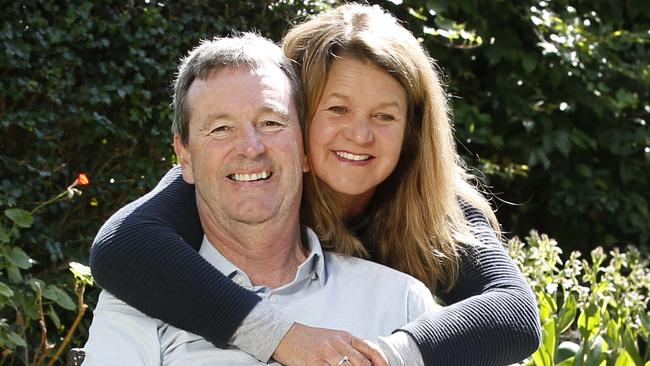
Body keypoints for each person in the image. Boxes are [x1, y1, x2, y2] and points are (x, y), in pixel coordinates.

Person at [90, 4, 541, 366]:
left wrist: (379, 356)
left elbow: (515, 314)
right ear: (298, 117)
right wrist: (281, 337)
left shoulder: (435, 214)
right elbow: (119, 247)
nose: (360, 135)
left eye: (384, 116)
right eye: (337, 109)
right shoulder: (244, 181)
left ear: (411, 131)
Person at [83, 33, 438, 365]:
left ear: (304, 148)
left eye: (270, 122)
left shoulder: (399, 302)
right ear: (185, 156)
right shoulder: (139, 302)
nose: (251, 148)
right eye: (221, 128)